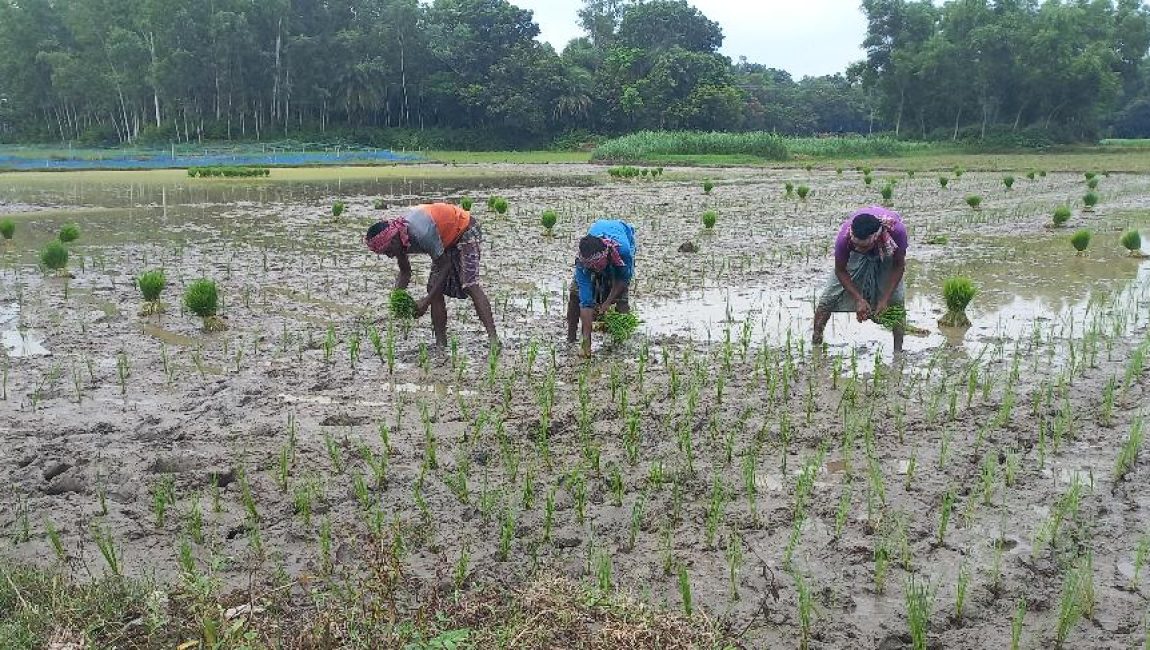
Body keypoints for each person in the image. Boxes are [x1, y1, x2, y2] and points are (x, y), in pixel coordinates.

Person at [365, 202, 497, 347]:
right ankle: (441, 343)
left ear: (394, 239)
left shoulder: (421, 233)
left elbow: (445, 265)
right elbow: (405, 272)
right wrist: (396, 297)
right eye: (385, 254)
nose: (390, 256)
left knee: (469, 284)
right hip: (443, 239)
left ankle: (494, 340)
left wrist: (425, 302)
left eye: (388, 251)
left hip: (464, 230)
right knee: (433, 288)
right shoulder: (399, 239)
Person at [812, 206, 908, 353]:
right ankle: (816, 344)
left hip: (886, 250)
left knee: (896, 302)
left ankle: (898, 352)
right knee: (827, 299)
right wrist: (859, 299)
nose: (860, 248)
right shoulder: (845, 238)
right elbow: (840, 270)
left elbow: (899, 266)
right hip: (853, 254)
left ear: (876, 236)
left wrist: (885, 299)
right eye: (857, 244)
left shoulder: (897, 232)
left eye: (864, 246)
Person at [567, 219, 636, 355]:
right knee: (575, 294)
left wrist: (607, 303)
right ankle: (571, 338)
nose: (594, 269)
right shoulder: (582, 263)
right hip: (595, 247)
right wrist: (587, 343)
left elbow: (623, 280)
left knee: (621, 299)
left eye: (596, 265)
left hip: (622, 237)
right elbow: (586, 302)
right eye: (591, 267)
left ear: (605, 255)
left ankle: (621, 342)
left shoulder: (623, 252)